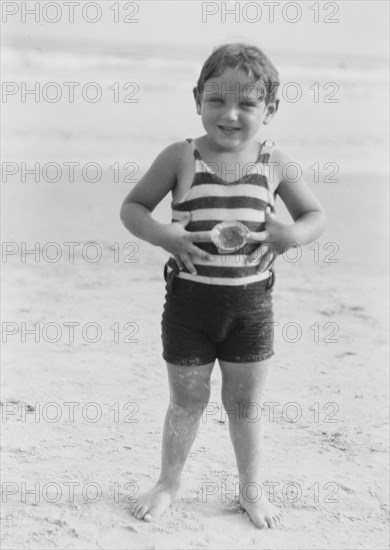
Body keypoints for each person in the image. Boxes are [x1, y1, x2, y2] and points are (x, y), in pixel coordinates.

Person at [120, 43, 326, 529]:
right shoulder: (180, 156)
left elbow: (315, 216)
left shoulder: (274, 162)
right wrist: (163, 234)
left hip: (252, 307)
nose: (229, 114)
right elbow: (132, 209)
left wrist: (289, 235)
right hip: (189, 304)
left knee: (245, 405)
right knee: (187, 401)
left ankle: (250, 490)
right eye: (217, 100)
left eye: (247, 104)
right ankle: (168, 482)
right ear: (197, 99)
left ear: (270, 110)